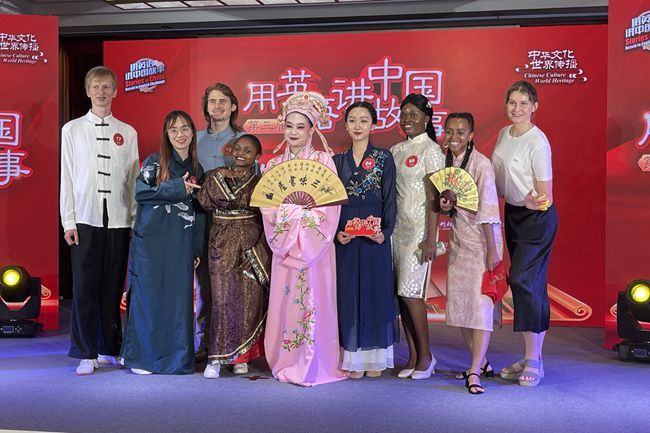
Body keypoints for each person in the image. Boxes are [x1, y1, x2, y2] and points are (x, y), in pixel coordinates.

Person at [260, 91, 346, 386]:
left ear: (312, 130)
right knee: (288, 301)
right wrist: (296, 214)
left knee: (315, 301)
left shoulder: (324, 161)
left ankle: (316, 361)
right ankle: (287, 360)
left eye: (301, 127)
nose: (294, 132)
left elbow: (329, 207)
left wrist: (296, 217)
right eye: (289, 126)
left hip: (315, 248)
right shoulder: (273, 166)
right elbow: (269, 208)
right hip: (285, 249)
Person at [60, 66, 139, 375]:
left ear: (115, 91)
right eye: (95, 86)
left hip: (118, 218)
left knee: (112, 285)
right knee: (84, 287)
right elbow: (67, 177)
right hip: (85, 216)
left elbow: (133, 180)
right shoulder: (72, 130)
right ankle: (85, 351)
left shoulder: (128, 132)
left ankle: (109, 348)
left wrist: (134, 219)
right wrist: (68, 221)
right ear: (87, 90)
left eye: (106, 86)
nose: (101, 92)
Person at [120, 110, 205, 375]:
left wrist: (196, 247)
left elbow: (199, 212)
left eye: (185, 128)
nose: (180, 134)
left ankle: (177, 360)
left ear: (193, 133)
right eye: (173, 130)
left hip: (180, 243)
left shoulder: (197, 169)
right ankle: (143, 359)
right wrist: (178, 188)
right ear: (166, 135)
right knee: (149, 298)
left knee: (178, 301)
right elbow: (141, 193)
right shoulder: (154, 163)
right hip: (151, 241)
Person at [491, 81, 558, 387]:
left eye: (523, 103)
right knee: (526, 285)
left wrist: (534, 202)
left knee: (524, 281)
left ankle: (534, 360)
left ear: (535, 107)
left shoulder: (538, 142)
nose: (517, 108)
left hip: (536, 219)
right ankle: (532, 356)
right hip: (514, 215)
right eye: (512, 102)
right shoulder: (504, 134)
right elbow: (499, 181)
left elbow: (546, 197)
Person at [437, 113, 502, 395]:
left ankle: (474, 371)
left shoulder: (481, 164)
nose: (454, 137)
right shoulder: (446, 162)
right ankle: (482, 362)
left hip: (482, 241)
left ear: (471, 135)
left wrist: (492, 251)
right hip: (459, 241)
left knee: (480, 307)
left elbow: (488, 210)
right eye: (450, 131)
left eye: (461, 132)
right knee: (461, 307)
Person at [195, 134, 271, 379]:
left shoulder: (261, 183)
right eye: (238, 148)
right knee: (221, 300)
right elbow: (203, 202)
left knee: (248, 301)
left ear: (257, 156)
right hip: (220, 244)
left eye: (248, 151)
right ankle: (215, 358)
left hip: (249, 246)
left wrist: (259, 250)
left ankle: (241, 357)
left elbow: (268, 219)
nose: (241, 154)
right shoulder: (215, 176)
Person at [334, 101, 397, 379]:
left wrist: (385, 231)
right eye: (352, 120)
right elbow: (329, 203)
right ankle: (353, 359)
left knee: (376, 293)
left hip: (375, 239)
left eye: (364, 120)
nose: (358, 125)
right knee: (348, 294)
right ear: (346, 126)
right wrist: (337, 232)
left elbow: (390, 198)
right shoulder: (336, 161)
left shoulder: (384, 158)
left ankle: (375, 358)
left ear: (374, 125)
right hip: (347, 240)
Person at [390, 93, 445, 380]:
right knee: (401, 296)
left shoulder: (432, 150)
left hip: (419, 233)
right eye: (404, 114)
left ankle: (426, 356)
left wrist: (430, 238)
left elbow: (435, 197)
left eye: (414, 114)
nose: (407, 119)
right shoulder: (396, 150)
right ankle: (412, 356)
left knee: (412, 294)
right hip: (396, 232)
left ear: (426, 118)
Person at [194, 83, 245, 361]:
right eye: (212, 101)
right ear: (206, 107)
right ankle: (204, 342)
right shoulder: (195, 139)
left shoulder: (243, 139)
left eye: (223, 101)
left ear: (233, 106)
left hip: (234, 223)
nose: (218, 106)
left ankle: (234, 347)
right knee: (204, 285)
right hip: (202, 220)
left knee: (232, 284)